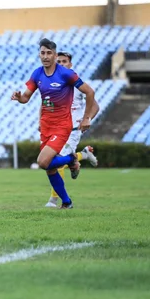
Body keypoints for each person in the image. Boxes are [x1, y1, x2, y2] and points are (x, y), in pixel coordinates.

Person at [11, 38, 99, 209]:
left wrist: (87, 117)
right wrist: (19, 97)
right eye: (42, 53)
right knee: (50, 168)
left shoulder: (66, 74)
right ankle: (66, 202)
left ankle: (72, 159)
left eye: (49, 53)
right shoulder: (37, 74)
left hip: (62, 125)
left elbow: (90, 91)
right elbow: (26, 98)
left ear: (54, 55)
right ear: (39, 54)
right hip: (46, 126)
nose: (45, 56)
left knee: (43, 162)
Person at [45, 51, 99, 207]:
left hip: (73, 130)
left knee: (55, 162)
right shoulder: (53, 83)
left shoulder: (77, 84)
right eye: (59, 61)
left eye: (64, 61)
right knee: (53, 160)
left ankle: (54, 200)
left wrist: (87, 119)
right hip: (56, 129)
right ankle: (82, 155)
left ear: (70, 64)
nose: (61, 64)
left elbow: (95, 106)